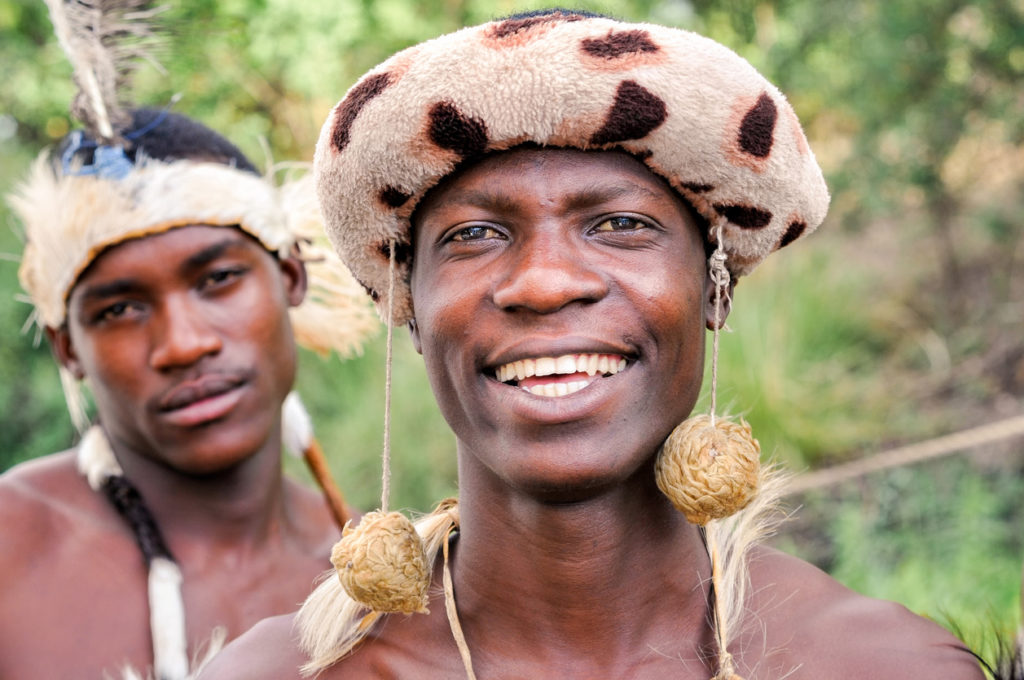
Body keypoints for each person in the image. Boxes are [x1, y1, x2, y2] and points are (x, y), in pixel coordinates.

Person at [199, 9, 986, 679]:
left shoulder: (876, 663)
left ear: (715, 289)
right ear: (408, 308)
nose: (544, 283)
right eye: (475, 234)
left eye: (619, 225)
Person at [0, 25, 376, 680]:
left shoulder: (385, 577)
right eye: (120, 310)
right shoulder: (12, 547)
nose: (184, 344)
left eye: (218, 280)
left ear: (291, 276)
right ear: (69, 349)